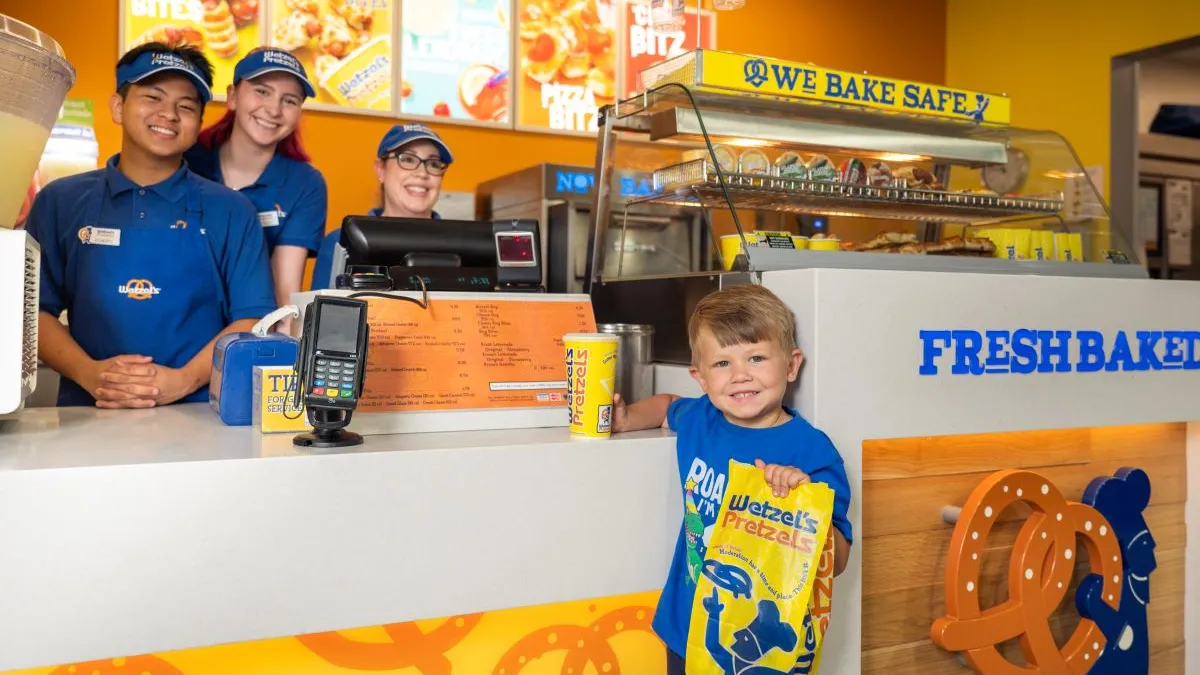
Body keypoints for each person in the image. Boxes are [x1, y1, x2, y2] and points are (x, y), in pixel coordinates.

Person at [611, 284, 853, 674]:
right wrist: (626, 419)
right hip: (686, 625)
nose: (740, 376)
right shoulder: (701, 418)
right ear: (701, 377)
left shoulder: (811, 451)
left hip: (760, 649)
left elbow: (838, 561)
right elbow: (668, 406)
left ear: (791, 365)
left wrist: (804, 499)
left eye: (756, 358)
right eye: (722, 364)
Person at [25, 43, 276, 408]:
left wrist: (182, 380)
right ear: (117, 106)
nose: (169, 114)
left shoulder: (233, 211)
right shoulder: (60, 201)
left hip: (203, 416)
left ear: (198, 123)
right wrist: (91, 375)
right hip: (86, 415)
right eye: (153, 97)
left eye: (186, 106)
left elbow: (252, 317)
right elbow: (33, 311)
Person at [186, 48, 326, 319]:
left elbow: (284, 291)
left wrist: (285, 352)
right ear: (233, 96)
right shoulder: (186, 162)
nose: (274, 110)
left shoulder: (305, 184)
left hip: (253, 329)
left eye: (289, 100)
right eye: (262, 91)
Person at [310, 123, 453, 290]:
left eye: (434, 164)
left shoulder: (460, 244)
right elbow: (320, 312)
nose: (422, 173)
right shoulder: (340, 242)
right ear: (380, 170)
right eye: (407, 159)